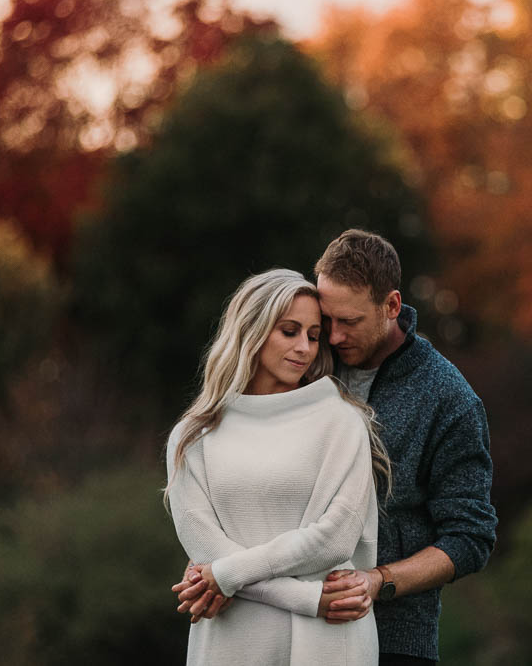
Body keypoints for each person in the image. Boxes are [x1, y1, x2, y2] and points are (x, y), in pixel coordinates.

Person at [176, 230, 498, 665]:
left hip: (395, 632)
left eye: (348, 322)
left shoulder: (447, 398)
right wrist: (213, 568)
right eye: (325, 321)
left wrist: (378, 580)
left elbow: (470, 536)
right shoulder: (308, 367)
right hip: (263, 620)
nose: (330, 337)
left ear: (391, 306)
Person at [165, 268, 391, 666]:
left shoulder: (342, 421)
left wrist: (228, 575)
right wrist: (306, 599)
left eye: (313, 335)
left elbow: (335, 539)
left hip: (331, 640)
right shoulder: (193, 436)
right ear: (251, 330)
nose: (304, 347)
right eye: (289, 331)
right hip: (234, 641)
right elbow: (206, 551)